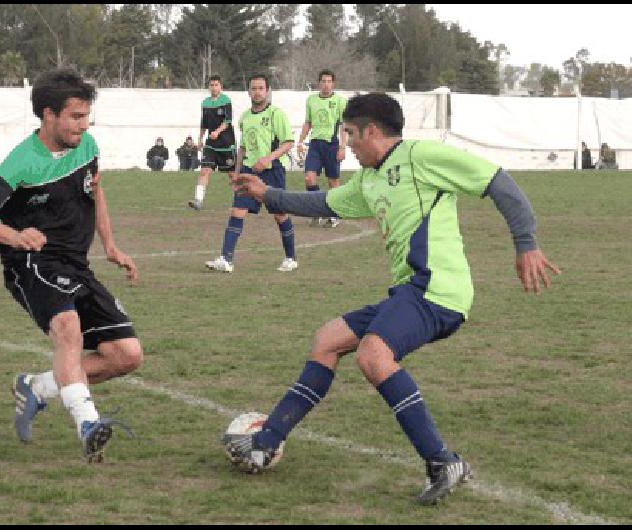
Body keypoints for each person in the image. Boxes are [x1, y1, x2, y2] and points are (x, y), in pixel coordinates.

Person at [229, 93, 561, 504]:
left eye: (350, 133)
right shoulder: (370, 179)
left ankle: (443, 462)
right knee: (328, 340)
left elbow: (499, 182)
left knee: (373, 356)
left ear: (371, 131)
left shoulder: (422, 156)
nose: (346, 144)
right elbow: (322, 201)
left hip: (439, 290)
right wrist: (268, 195)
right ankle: (264, 444)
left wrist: (526, 244)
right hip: (409, 292)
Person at [0, 69, 143, 463]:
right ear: (48, 115)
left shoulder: (88, 146)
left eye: (86, 116)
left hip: (76, 263)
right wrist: (16, 235)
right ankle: (88, 424)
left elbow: (96, 191)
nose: (84, 124)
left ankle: (38, 387)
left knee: (126, 355)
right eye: (76, 116)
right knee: (68, 329)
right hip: (31, 262)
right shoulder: (21, 162)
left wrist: (110, 244)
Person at [205, 74, 297, 273]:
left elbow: (289, 142)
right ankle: (226, 259)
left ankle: (291, 258)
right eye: (253, 88)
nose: (257, 92)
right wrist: (236, 173)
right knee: (237, 211)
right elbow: (243, 148)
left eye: (261, 88)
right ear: (248, 91)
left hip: (273, 171)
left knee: (280, 215)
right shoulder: (245, 117)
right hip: (248, 171)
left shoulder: (275, 114)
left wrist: (268, 158)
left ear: (267, 90)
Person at [297, 70, 348, 228]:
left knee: (333, 181)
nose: (326, 84)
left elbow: (343, 126)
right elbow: (308, 122)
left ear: (333, 83)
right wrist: (300, 142)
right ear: (319, 83)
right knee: (309, 178)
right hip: (314, 145)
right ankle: (317, 210)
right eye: (323, 81)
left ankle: (335, 213)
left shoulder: (340, 101)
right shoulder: (311, 100)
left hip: (332, 145)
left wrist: (342, 147)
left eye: (329, 81)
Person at [189, 75, 236, 210]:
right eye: (212, 85)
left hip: (226, 143)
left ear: (221, 86)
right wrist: (200, 138)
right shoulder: (205, 103)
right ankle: (198, 200)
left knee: (232, 174)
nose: (214, 87)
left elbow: (227, 121)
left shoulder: (226, 100)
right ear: (209, 87)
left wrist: (217, 131)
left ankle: (238, 201)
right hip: (211, 143)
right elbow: (203, 123)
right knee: (204, 171)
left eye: (216, 85)